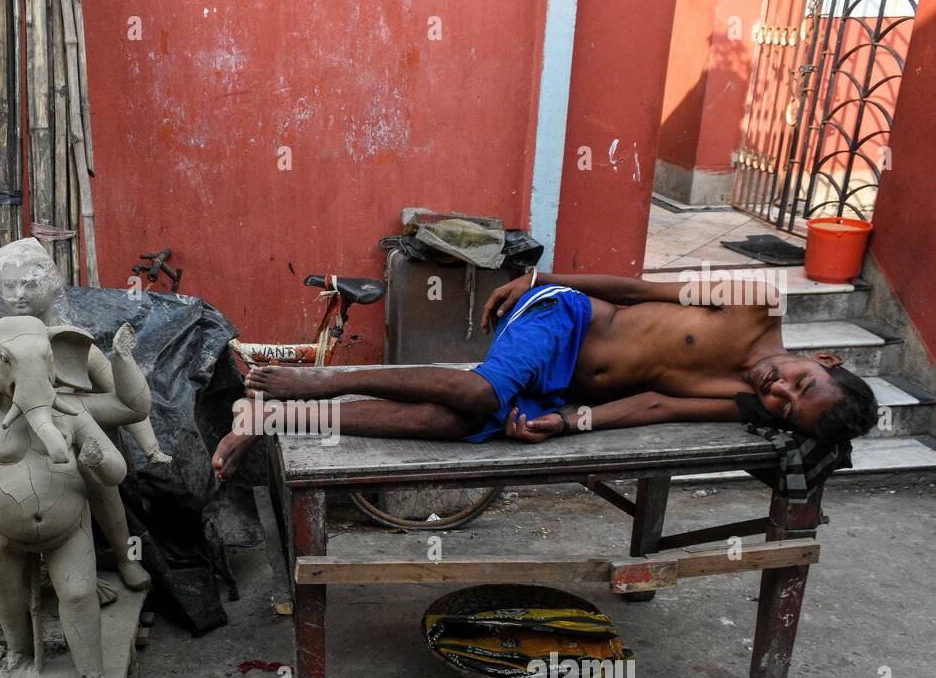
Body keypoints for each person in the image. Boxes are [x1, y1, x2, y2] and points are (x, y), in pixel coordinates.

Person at [212, 270, 878, 481]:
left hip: (557, 387)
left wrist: (563, 423)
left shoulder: (741, 404)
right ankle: (314, 382)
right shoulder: (756, 297)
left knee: (461, 421)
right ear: (826, 359)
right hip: (564, 318)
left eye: (788, 409)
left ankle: (277, 414)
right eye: (801, 383)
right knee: (477, 393)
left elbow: (651, 407)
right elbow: (640, 286)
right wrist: (546, 278)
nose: (779, 393)